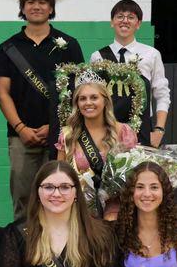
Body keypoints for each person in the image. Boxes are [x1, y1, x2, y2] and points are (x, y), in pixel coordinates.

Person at [0, 0, 84, 221]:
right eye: (31, 2)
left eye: (43, 2)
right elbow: (3, 94)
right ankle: (22, 243)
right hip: (20, 137)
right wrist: (21, 128)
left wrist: (55, 126)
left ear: (51, 8)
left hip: (61, 136)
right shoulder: (8, 48)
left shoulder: (69, 45)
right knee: (23, 200)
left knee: (61, 196)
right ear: (23, 8)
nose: (36, 7)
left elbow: (78, 93)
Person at [56, 70, 137, 219]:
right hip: (80, 209)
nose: (88, 103)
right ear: (77, 104)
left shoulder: (123, 132)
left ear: (105, 101)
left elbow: (134, 176)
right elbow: (59, 175)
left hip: (116, 208)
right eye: (82, 99)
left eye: (94, 97)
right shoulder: (68, 135)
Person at [90, 0, 170, 148]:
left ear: (138, 24)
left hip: (141, 128)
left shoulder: (151, 54)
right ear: (112, 22)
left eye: (131, 17)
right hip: (106, 129)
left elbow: (162, 94)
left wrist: (159, 129)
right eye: (120, 16)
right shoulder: (98, 56)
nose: (125, 21)